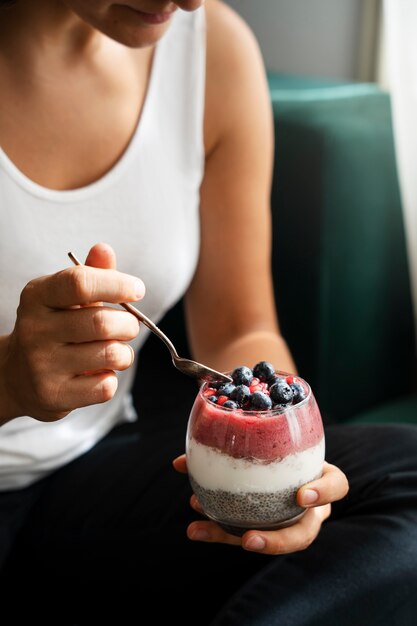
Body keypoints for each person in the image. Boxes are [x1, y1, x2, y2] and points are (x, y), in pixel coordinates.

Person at [0, 1, 416, 624]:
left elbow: (238, 326)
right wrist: (6, 381)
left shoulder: (210, 50)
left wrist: (286, 453)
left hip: (85, 477)